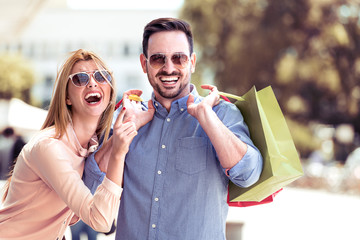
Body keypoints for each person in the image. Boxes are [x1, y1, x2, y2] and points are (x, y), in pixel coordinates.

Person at [84, 18, 263, 240]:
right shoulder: (127, 116)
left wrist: (207, 119)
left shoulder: (220, 114)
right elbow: (87, 190)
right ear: (144, 63)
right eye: (158, 59)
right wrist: (121, 136)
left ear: (193, 62)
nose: (169, 68)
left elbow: (248, 175)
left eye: (179, 58)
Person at [0, 49, 139, 239]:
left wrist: (133, 117)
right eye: (80, 79)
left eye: (101, 76)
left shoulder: (88, 147)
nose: (92, 82)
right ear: (66, 97)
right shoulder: (49, 147)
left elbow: (72, 216)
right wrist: (118, 153)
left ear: (109, 92)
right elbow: (101, 220)